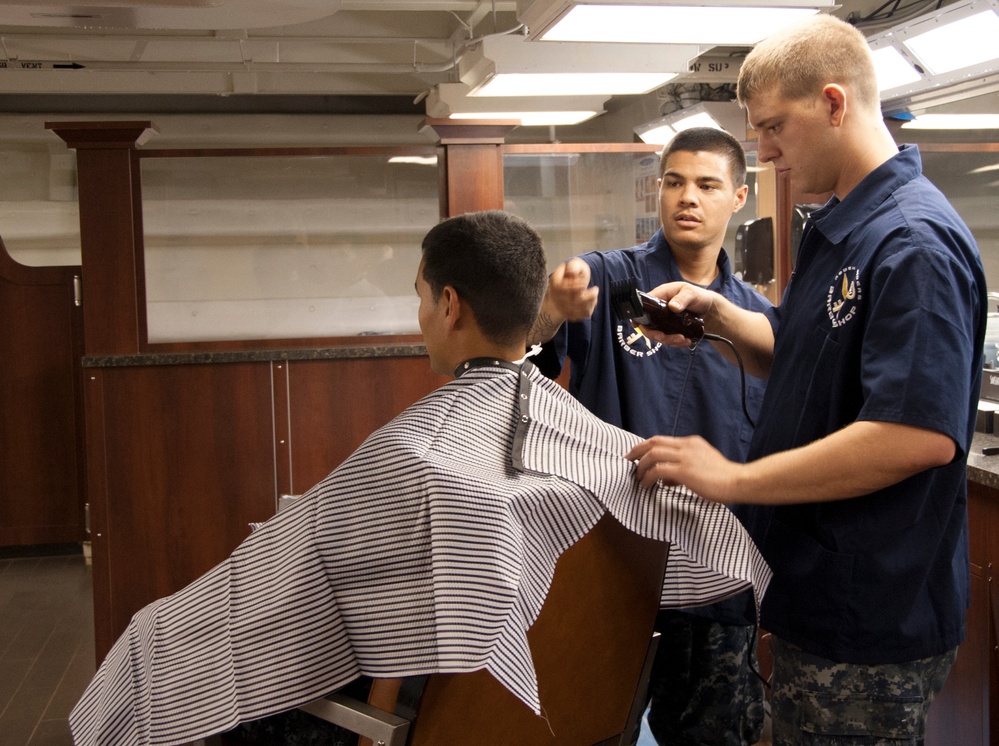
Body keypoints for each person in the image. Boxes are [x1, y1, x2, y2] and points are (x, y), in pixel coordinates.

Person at [69, 210, 771, 746]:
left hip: (432, 720)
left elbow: (301, 586)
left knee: (160, 651)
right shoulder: (613, 462)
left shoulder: (422, 456)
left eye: (419, 296)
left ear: (450, 305)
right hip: (565, 722)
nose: (420, 314)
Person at [626, 15, 986, 745]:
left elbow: (913, 436)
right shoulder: (841, 229)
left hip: (868, 611)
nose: (763, 151)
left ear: (831, 102)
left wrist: (729, 479)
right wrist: (723, 319)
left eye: (771, 127)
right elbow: (802, 357)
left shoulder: (911, 243)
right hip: (815, 592)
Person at [529, 127, 771, 746]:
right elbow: (529, 345)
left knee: (711, 733)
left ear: (739, 197)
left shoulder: (754, 324)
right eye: (675, 181)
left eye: (707, 185)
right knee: (588, 728)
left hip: (710, 571)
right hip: (609, 563)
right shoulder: (612, 280)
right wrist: (556, 306)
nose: (687, 197)